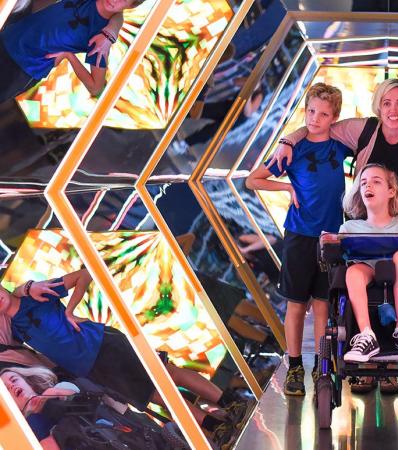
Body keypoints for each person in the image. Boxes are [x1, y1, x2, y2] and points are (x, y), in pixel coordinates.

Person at [0, 269, 237, 437]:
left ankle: (231, 403)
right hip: (92, 370)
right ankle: (217, 427)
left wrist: (69, 310)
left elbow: (84, 275)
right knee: (156, 398)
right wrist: (22, 288)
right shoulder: (13, 329)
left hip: (103, 342)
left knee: (167, 373)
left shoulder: (35, 294)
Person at [246, 82, 351, 396]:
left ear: (334, 117)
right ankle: (294, 366)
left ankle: (321, 365)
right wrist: (287, 188)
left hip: (330, 237)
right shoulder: (293, 150)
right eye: (311, 111)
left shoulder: (339, 145)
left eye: (323, 114)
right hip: (299, 235)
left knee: (322, 306)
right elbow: (253, 180)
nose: (315, 118)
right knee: (296, 305)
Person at [270, 78, 398, 204]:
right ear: (379, 106)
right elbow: (320, 126)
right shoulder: (362, 129)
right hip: (363, 220)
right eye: (387, 103)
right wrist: (288, 141)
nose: (393, 110)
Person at [339, 164, 398, 363]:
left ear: (391, 191)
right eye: (363, 183)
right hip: (368, 266)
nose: (368, 186)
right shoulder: (350, 227)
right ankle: (367, 335)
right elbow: (339, 254)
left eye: (376, 181)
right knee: (352, 272)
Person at [0, 0, 143, 101]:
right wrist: (114, 27)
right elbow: (118, 16)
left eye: (123, 0)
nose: (114, 0)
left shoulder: (101, 38)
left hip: (22, 68)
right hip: (8, 37)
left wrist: (69, 56)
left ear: (130, 6)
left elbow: (96, 87)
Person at [1, 366, 81, 450]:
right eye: (6, 390)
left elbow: (83, 401)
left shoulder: (59, 388)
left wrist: (51, 395)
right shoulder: (22, 434)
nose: (11, 385)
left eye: (14, 380)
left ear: (28, 382)